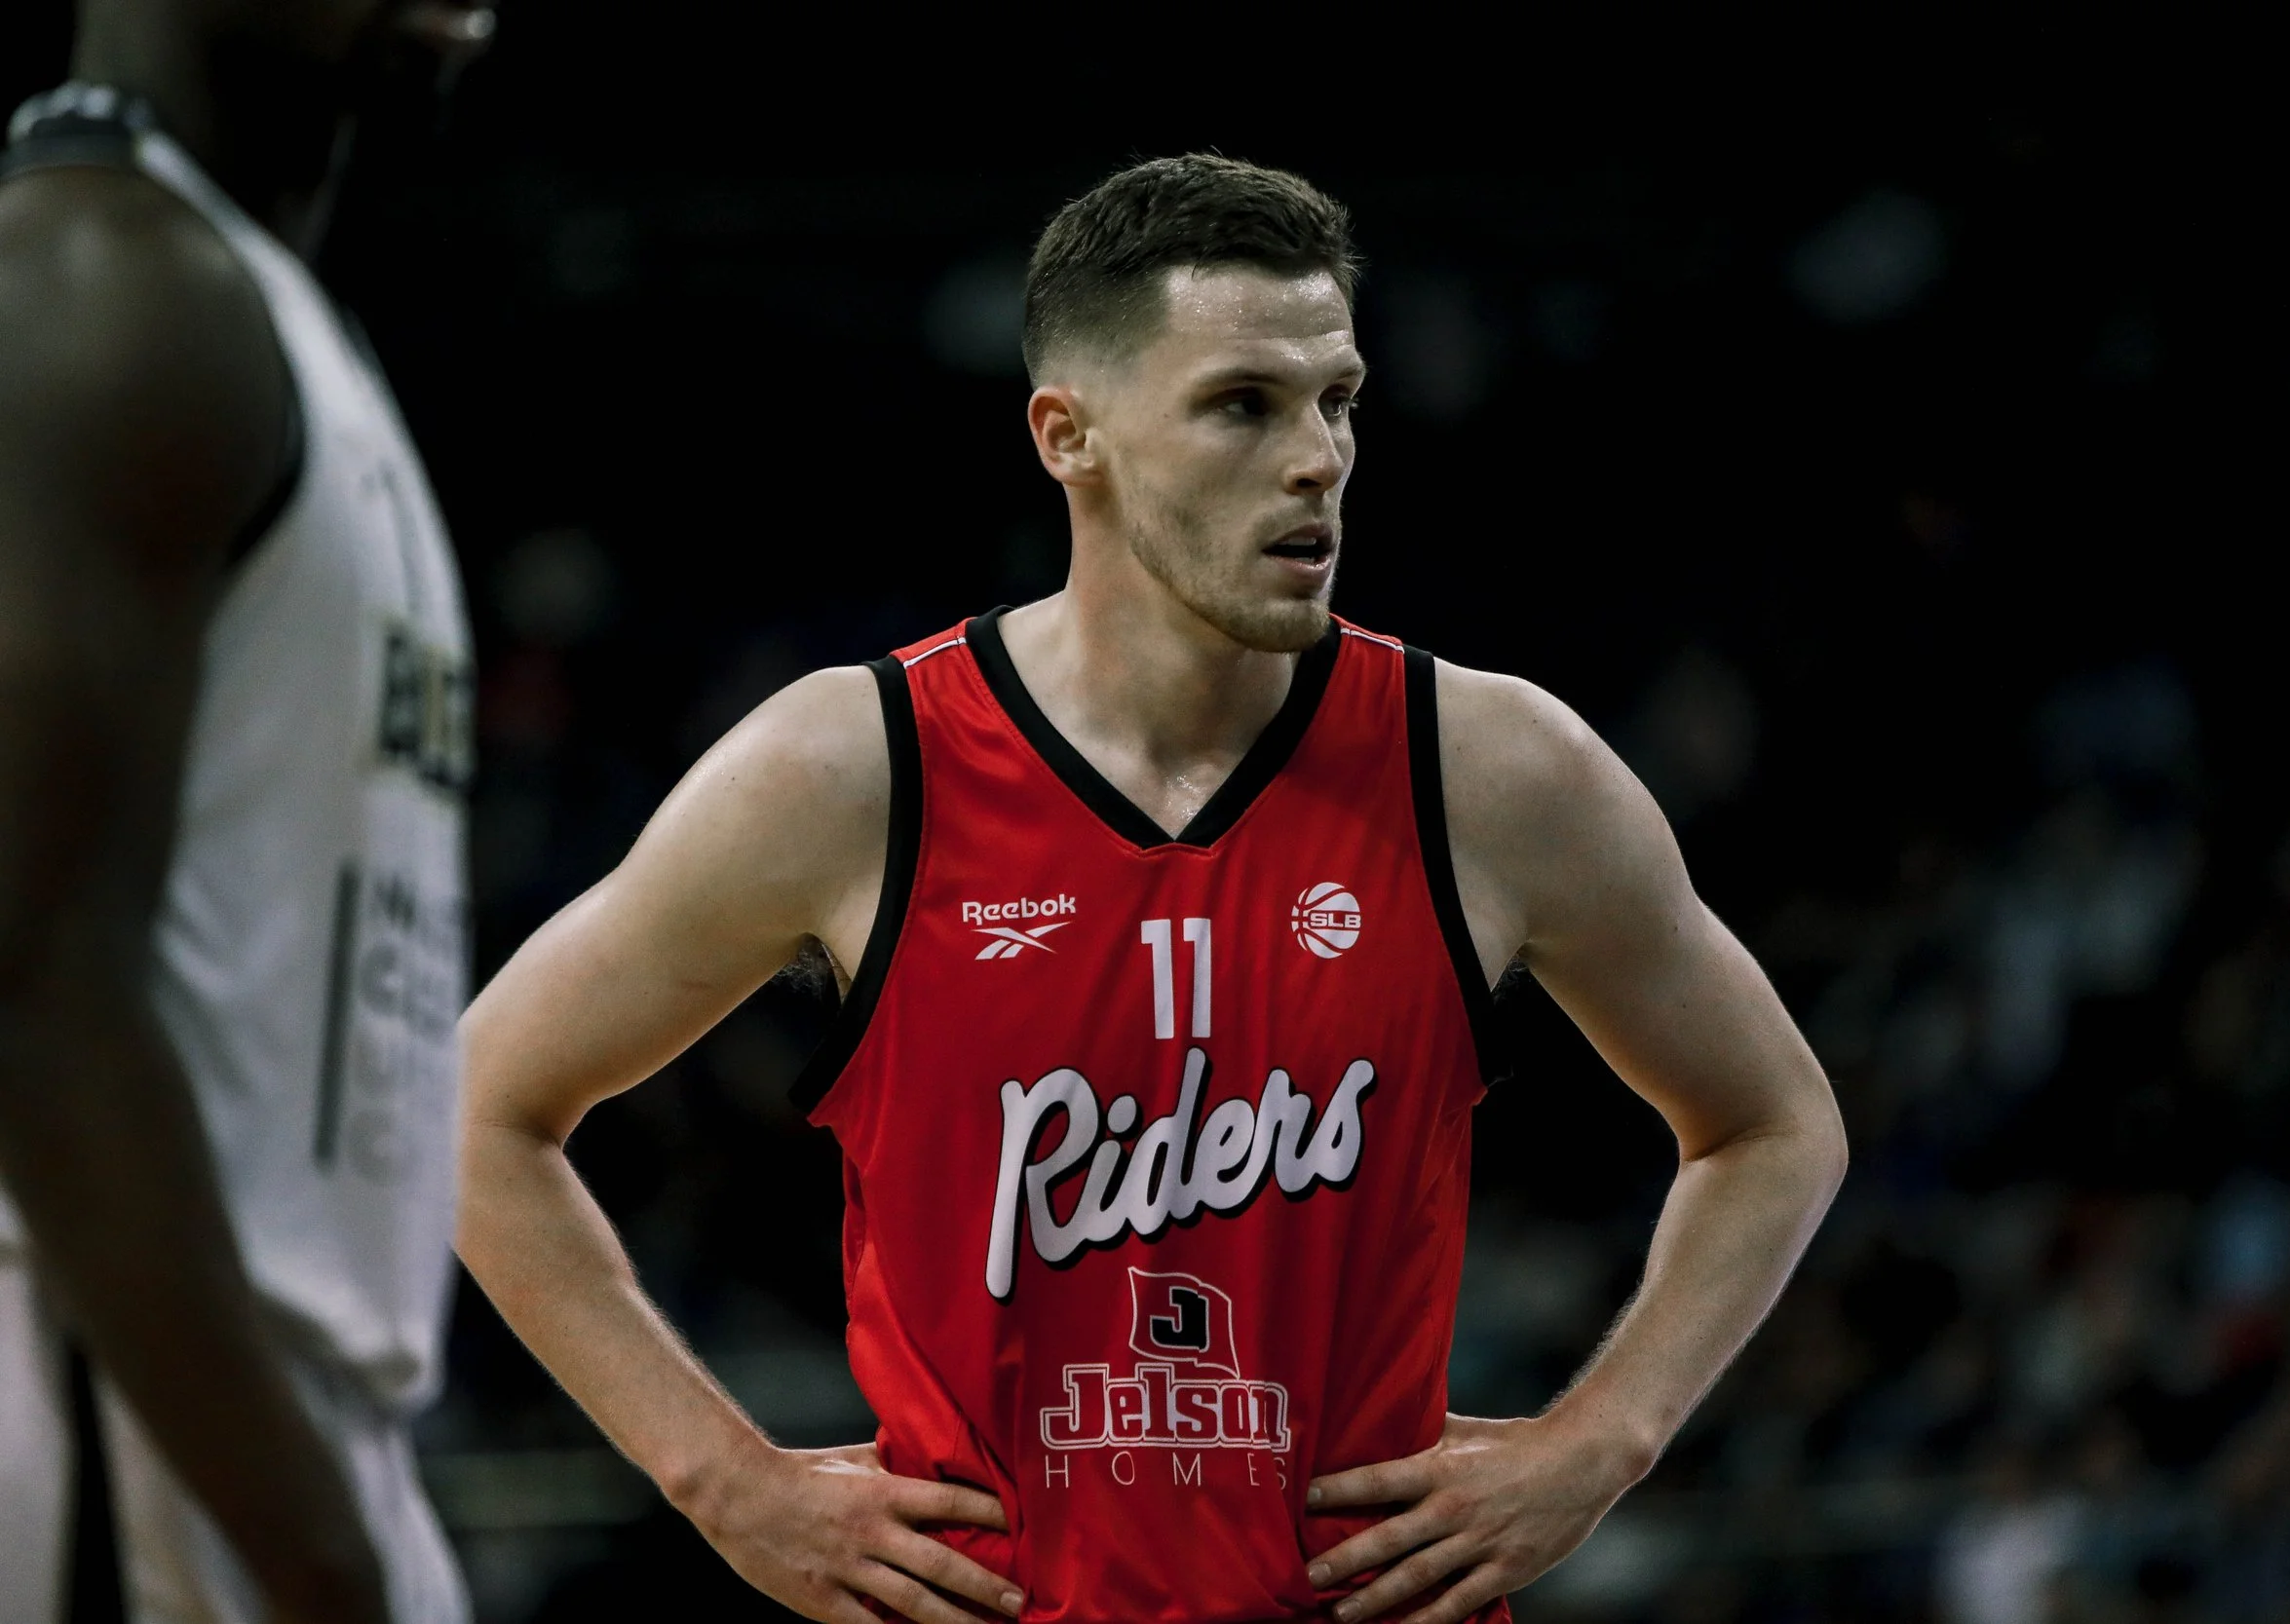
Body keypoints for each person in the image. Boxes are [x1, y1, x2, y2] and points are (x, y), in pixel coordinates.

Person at [456, 155, 1848, 1624]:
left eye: (1337, 401)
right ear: (1071, 437)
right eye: (1243, 405)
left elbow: (1775, 1123)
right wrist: (722, 1481)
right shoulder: (855, 766)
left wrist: (1602, 1442)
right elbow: (476, 1109)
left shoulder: (1492, 770)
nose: (1316, 458)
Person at [0, 3, 493, 1619]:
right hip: (115, 1412)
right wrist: (315, 1555)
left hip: (255, 1421)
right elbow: (27, 979)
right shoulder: (100, 283)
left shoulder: (258, 309)